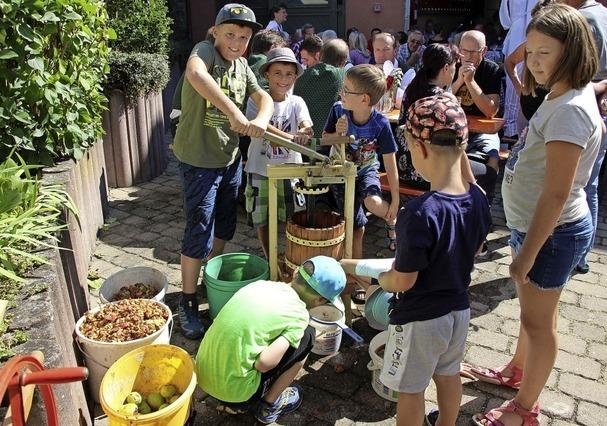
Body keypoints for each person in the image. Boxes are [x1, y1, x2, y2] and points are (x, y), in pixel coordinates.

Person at [466, 5, 601, 425]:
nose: (534, 61)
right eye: (532, 51)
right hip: (537, 229)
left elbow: (558, 192)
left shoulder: (569, 110)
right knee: (533, 314)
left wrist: (526, 255)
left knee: (540, 324)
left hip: (552, 234)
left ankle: (525, 409)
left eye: (546, 52)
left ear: (573, 52)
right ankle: (516, 371)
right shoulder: (561, 96)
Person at [342, 95, 491, 426]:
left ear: (420, 148)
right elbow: (478, 245)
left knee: (411, 390)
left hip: (421, 320)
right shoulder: (478, 200)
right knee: (449, 374)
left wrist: (381, 280)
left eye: (408, 146)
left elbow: (404, 280)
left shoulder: (420, 213)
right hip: (458, 311)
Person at [172, 4, 273, 339]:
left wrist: (259, 119)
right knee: (199, 226)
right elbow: (195, 75)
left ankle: (208, 279)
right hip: (199, 160)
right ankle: (187, 300)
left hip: (229, 160)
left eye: (244, 37)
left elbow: (265, 99)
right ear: (215, 33)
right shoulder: (205, 53)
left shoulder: (243, 66)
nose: (237, 41)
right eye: (230, 34)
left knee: (226, 223)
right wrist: (233, 112)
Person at [196, 255, 346, 424]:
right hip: (235, 392)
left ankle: (229, 396)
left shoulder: (260, 285)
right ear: (320, 300)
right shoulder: (299, 317)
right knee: (308, 336)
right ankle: (269, 405)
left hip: (201, 375)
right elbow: (264, 363)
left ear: (296, 272)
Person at [561, 0, 607, 275]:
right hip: (605, 113)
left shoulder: (576, 19)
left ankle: (565, 255)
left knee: (567, 188)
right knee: (588, 187)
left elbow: (567, 78)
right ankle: (580, 256)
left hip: (578, 113)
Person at [323, 64, 399, 258]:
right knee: (355, 226)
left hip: (366, 170)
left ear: (364, 99)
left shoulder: (380, 123)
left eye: (347, 90)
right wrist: (338, 134)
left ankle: (393, 218)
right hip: (340, 172)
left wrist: (396, 199)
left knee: (373, 203)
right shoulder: (338, 110)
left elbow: (390, 161)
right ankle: (354, 270)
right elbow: (325, 138)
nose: (342, 93)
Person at [244, 48, 313, 259]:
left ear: (295, 76)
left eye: (289, 74)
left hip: (290, 170)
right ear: (267, 74)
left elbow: (306, 125)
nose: (284, 78)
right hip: (259, 167)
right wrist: (291, 137)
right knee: (262, 218)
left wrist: (303, 131)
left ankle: (289, 257)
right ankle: (269, 256)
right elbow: (261, 127)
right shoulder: (256, 101)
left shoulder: (297, 102)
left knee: (292, 217)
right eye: (278, 72)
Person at [396, 43, 460, 191]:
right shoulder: (444, 99)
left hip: (403, 167)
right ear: (446, 68)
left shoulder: (411, 89)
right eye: (454, 67)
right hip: (427, 174)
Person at [452, 30, 503, 206]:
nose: (468, 56)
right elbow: (441, 101)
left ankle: (485, 202)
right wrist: (459, 80)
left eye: (474, 52)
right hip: (455, 127)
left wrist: (470, 82)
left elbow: (491, 111)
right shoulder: (451, 66)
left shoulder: (491, 70)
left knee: (493, 157)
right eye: (465, 50)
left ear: (484, 51)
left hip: (483, 129)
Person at [499, 0, 538, 138]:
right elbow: (510, 62)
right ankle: (512, 132)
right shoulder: (532, 38)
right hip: (521, 34)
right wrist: (517, 85)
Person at [293, 40, 345, 139]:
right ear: (344, 61)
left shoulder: (301, 77)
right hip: (331, 141)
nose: (304, 63)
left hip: (304, 140)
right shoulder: (344, 76)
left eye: (306, 60)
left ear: (318, 55)